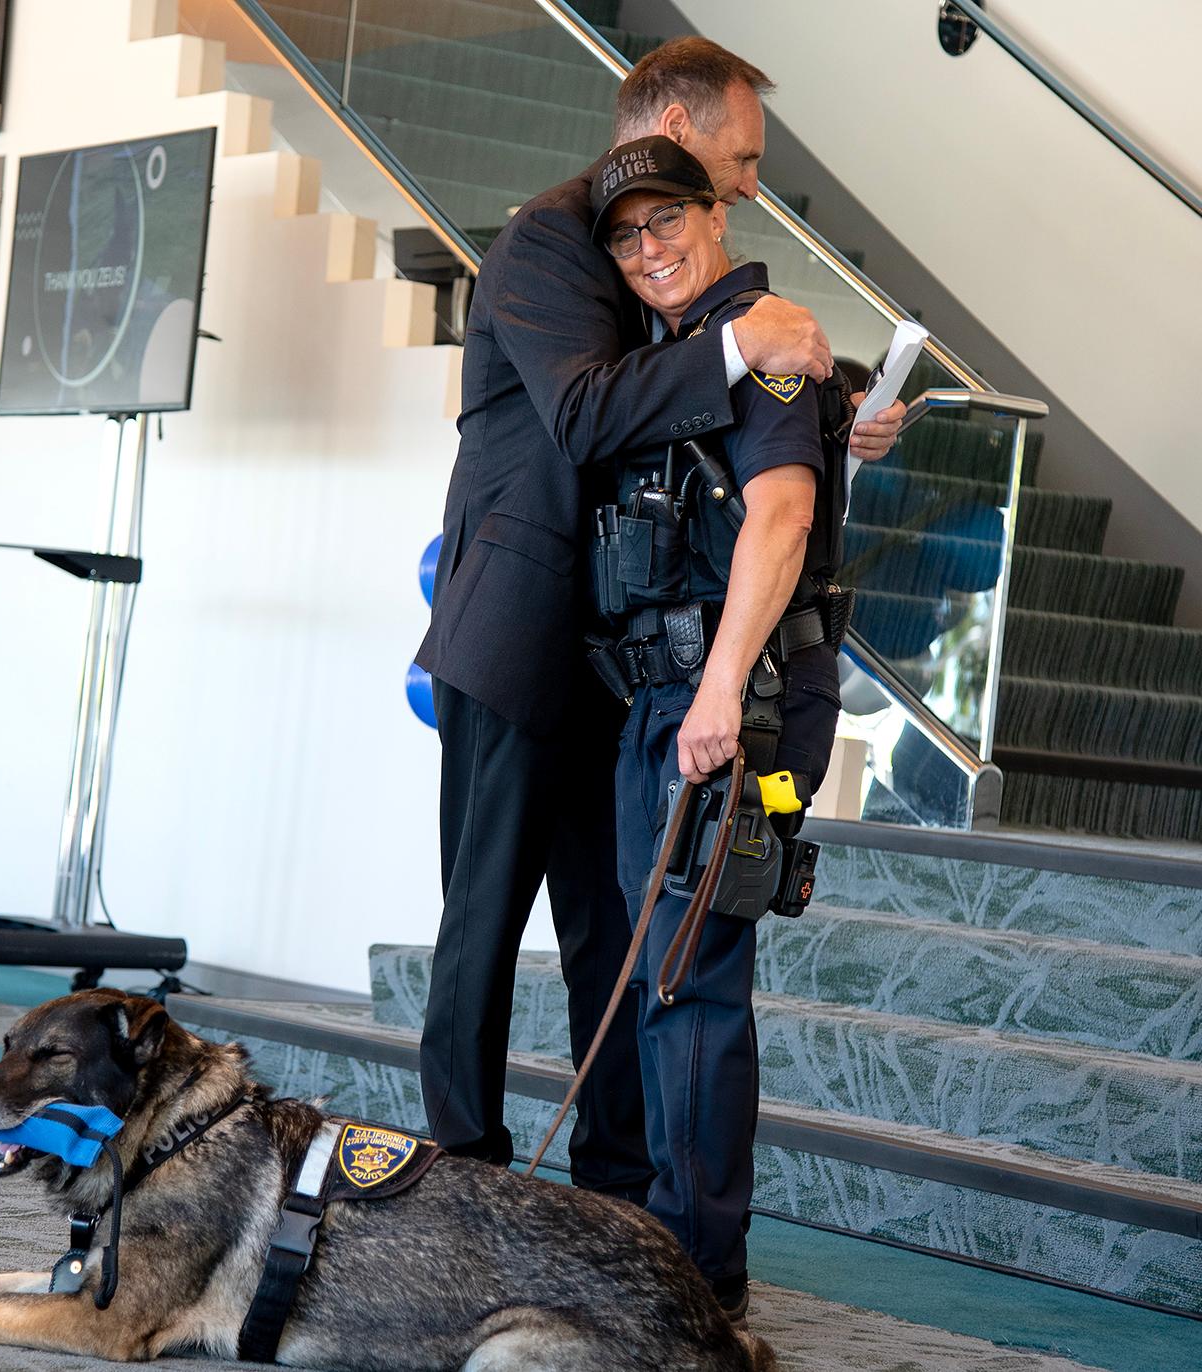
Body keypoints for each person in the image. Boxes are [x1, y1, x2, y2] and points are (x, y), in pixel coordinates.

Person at [414, 35, 902, 1212]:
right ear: (674, 135)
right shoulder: (547, 238)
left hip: (619, 660)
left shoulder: (655, 267)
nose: (745, 184)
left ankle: (611, 1193)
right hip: (515, 639)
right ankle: (464, 1187)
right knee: (483, 921)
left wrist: (831, 413)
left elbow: (688, 423)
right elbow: (586, 416)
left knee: (609, 933)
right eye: (737, 159)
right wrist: (747, 348)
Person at [591, 133, 850, 1323]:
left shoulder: (771, 349)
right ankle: (663, 1245)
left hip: (725, 708)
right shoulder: (685, 354)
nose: (649, 250)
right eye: (627, 234)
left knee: (690, 984)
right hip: (674, 700)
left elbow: (781, 520)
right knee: (660, 979)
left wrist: (716, 691)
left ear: (717, 214)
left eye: (667, 222)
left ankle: (698, 1282)